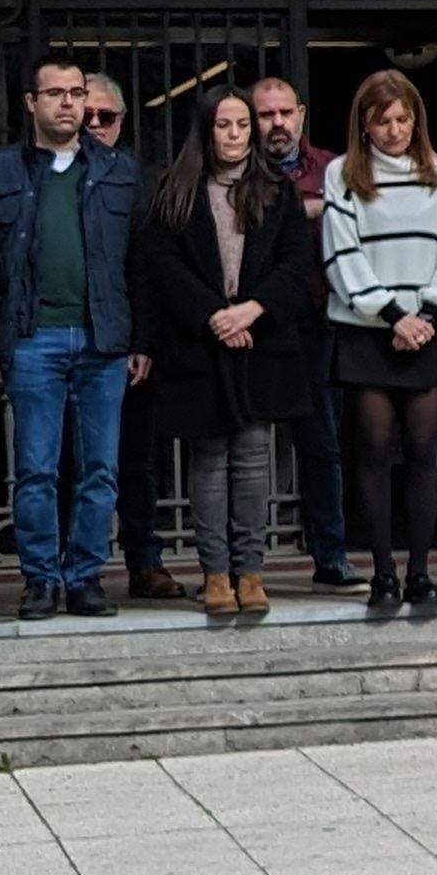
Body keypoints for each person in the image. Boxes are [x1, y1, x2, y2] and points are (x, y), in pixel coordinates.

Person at [132, 88, 319, 624]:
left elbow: (294, 264)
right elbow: (161, 267)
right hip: (199, 343)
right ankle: (215, 572)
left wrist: (251, 311)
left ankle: (250, 571)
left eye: (242, 125)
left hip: (259, 343)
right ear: (205, 131)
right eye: (224, 126)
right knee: (210, 459)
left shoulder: (278, 192)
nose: (235, 135)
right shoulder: (176, 191)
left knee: (255, 456)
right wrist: (214, 314)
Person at [0, 52, 144, 620]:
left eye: (76, 94)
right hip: (32, 338)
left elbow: (137, 264)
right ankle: (41, 580)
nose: (69, 104)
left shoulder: (118, 170)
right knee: (36, 468)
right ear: (32, 103)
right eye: (56, 94)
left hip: (103, 340)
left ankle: (86, 577)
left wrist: (138, 339)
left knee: (100, 467)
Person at [323, 68, 437, 622]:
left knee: (424, 452)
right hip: (369, 332)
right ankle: (382, 573)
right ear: (364, 124)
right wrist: (390, 315)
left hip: (431, 331)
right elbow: (342, 254)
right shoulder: (343, 175)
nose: (394, 130)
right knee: (373, 452)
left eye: (403, 119)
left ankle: (421, 573)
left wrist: (428, 314)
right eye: (383, 120)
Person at [84, 75, 186, 605]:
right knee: (67, 462)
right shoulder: (49, 173)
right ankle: (76, 567)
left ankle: (145, 561)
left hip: (131, 345)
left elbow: (151, 269)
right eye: (89, 115)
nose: (96, 125)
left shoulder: (146, 182)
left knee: (136, 460)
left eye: (107, 117)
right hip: (70, 343)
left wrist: (142, 341)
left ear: (123, 121)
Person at [251, 76, 354, 589]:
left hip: (317, 319)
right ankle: (240, 566)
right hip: (251, 322)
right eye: (266, 114)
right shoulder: (235, 170)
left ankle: (330, 556)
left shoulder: (335, 169)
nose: (277, 124)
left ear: (302, 114)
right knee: (241, 448)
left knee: (320, 445)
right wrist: (304, 211)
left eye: (284, 113)